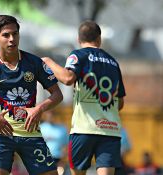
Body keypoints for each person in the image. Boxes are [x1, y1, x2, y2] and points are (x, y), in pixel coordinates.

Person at [0, 15, 63, 175]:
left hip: (30, 134)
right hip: (1, 135)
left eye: (15, 34)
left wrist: (39, 109)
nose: (11, 39)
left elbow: (57, 94)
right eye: (6, 35)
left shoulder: (35, 63)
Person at [42, 20, 126, 175]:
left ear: (78, 39)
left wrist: (48, 62)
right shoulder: (114, 63)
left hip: (84, 129)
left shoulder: (78, 55)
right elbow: (119, 102)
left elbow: (68, 78)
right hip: (110, 131)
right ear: (99, 39)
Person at [40, 110, 69, 175]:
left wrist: (63, 160)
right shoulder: (40, 128)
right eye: (48, 114)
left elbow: (66, 145)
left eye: (52, 114)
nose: (50, 116)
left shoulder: (62, 128)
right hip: (43, 159)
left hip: (58, 159)